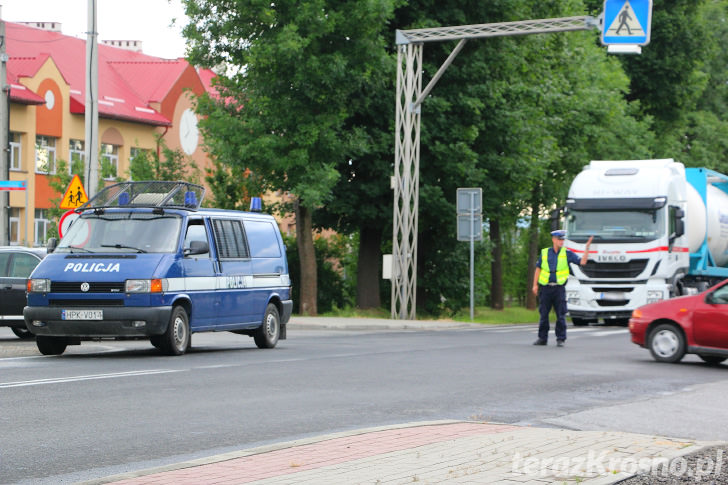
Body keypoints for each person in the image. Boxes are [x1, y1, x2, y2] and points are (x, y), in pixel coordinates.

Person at [531, 230, 593, 347]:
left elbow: (582, 262)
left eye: (563, 239)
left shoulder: (567, 253)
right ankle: (542, 338)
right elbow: (538, 269)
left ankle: (561, 338)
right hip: (545, 288)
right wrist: (535, 285)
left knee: (561, 314)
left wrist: (587, 248)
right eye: (559, 239)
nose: (561, 242)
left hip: (559, 289)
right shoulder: (545, 253)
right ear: (553, 239)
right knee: (543, 315)